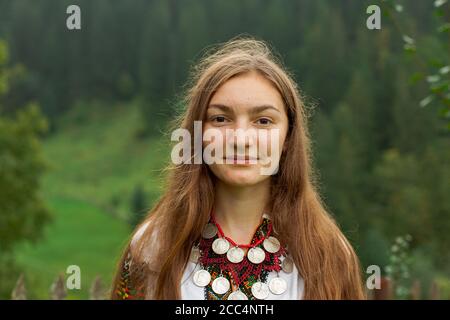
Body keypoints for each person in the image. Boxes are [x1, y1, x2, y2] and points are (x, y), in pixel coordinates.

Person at [111, 37, 366, 300]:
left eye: (263, 121)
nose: (241, 139)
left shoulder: (328, 255)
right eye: (220, 119)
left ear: (288, 138)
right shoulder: (152, 248)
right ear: (198, 134)